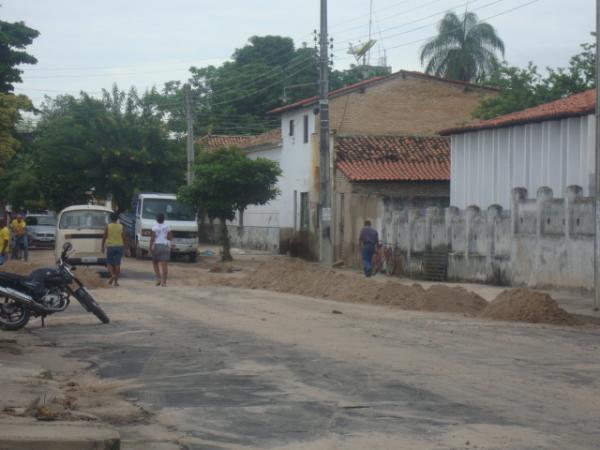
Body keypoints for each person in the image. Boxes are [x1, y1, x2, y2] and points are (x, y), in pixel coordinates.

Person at [101, 212, 127, 287]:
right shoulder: (121, 226)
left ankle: (112, 275)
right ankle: (116, 282)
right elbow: (124, 238)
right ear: (117, 219)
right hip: (119, 246)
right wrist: (126, 248)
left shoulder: (108, 226)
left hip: (111, 246)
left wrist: (102, 247)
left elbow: (104, 237)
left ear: (110, 219)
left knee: (109, 263)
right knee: (117, 264)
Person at [149, 213, 172, 287]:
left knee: (155, 263)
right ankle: (164, 282)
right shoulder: (167, 226)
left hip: (157, 246)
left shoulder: (154, 227)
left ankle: (158, 278)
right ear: (164, 219)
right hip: (165, 246)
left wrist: (150, 248)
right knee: (164, 265)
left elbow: (152, 238)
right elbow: (170, 237)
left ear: (156, 219)